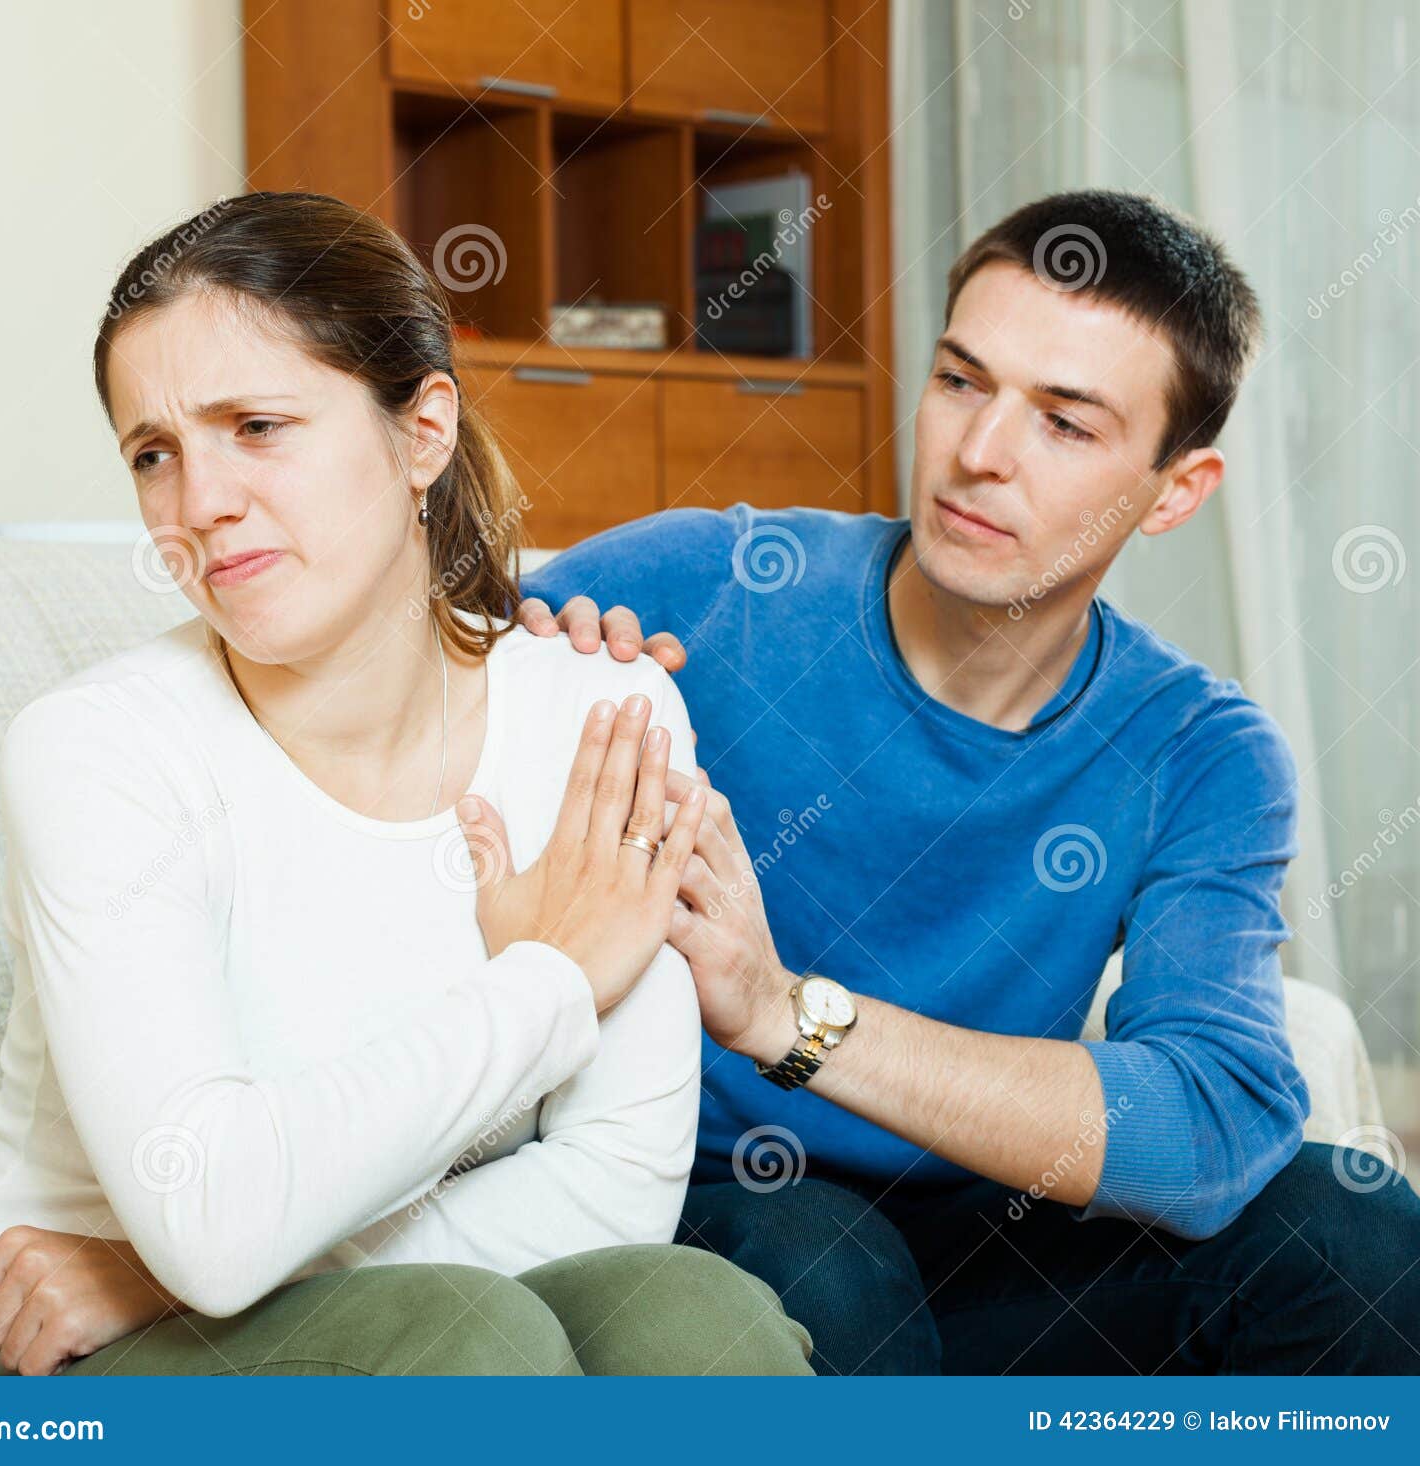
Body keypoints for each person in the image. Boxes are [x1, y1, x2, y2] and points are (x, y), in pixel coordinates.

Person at [0, 192, 813, 1378]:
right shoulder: (96, 751)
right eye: (153, 453)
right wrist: (549, 977)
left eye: (257, 426)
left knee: (700, 1318)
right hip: (36, 1380)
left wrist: (150, 1274)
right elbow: (213, 1227)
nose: (199, 502)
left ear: (421, 431)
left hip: (158, 1306)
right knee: (470, 1337)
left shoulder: (600, 714)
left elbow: (617, 1184)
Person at [517, 190, 1420, 1374]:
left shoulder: (1201, 748)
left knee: (1361, 1233)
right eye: (959, 380)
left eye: (1064, 422)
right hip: (722, 1205)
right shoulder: (702, 581)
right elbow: (382, 711)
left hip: (999, 1228)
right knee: (835, 1266)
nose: (977, 454)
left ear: (1174, 491)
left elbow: (1209, 1117)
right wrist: (526, 684)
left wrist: (789, 1013)